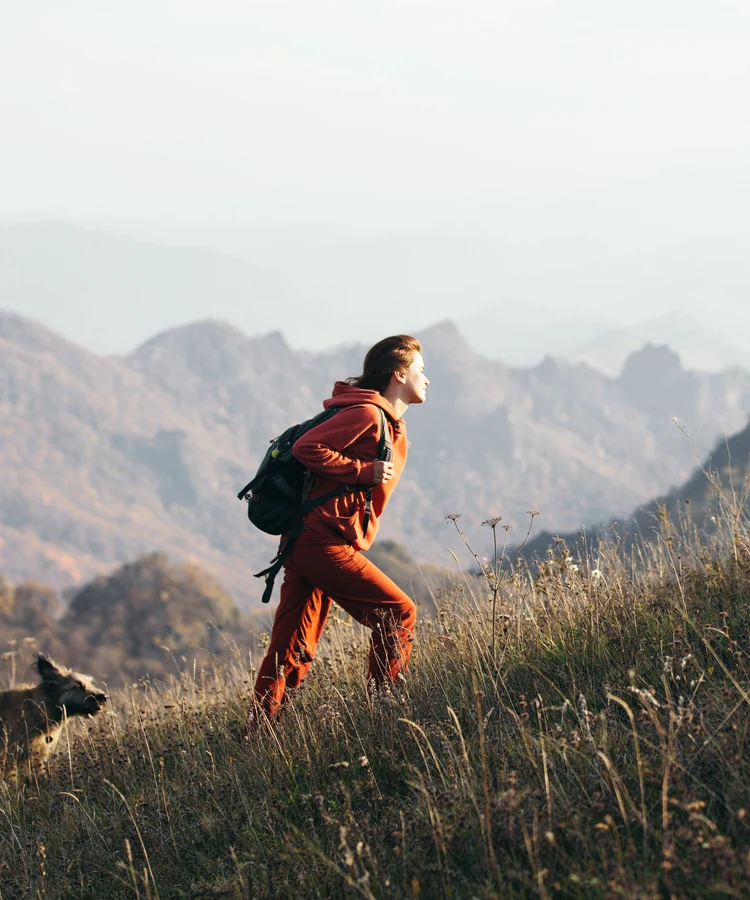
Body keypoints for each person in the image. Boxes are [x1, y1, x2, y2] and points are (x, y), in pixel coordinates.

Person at [247, 334, 429, 729]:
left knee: (291, 646)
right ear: (398, 375)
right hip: (319, 541)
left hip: (307, 539)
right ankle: (387, 716)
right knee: (398, 614)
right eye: (420, 370)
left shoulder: (384, 420)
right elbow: (307, 448)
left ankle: (258, 735)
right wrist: (364, 471)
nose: (426, 379)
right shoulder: (367, 414)